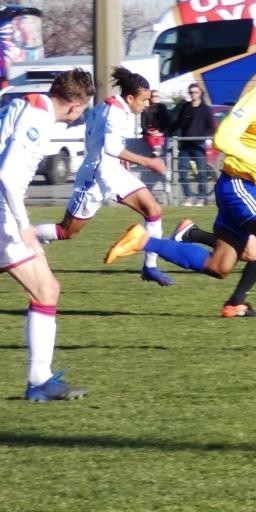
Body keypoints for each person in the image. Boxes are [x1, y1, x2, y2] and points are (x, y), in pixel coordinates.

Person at [105, 51, 256, 350]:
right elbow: (223, 139)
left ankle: (143, 240)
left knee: (219, 266)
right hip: (238, 185)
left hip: (240, 185)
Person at [1, 68, 95, 400]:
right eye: (83, 109)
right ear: (75, 105)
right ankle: (39, 382)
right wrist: (23, 225)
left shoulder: (27, 104)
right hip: (3, 216)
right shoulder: (38, 119)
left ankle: (39, 380)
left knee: (47, 289)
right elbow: (7, 176)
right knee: (46, 290)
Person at [34, 67, 173, 286]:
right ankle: (24, 237)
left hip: (113, 172)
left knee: (153, 210)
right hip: (96, 178)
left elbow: (95, 136)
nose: (147, 104)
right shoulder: (114, 112)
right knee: (66, 231)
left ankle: (150, 266)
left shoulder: (108, 107)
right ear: (130, 98)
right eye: (144, 100)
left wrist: (117, 156)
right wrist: (149, 162)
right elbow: (111, 147)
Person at [171, 83, 216, 206]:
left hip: (199, 145)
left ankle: (202, 198)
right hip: (185, 146)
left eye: (195, 92)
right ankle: (188, 197)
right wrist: (172, 134)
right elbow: (178, 124)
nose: (193, 94)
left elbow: (211, 127)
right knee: (182, 171)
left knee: (201, 172)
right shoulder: (185, 107)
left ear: (200, 93)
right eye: (191, 92)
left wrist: (202, 136)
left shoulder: (206, 109)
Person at [141, 90, 171, 157]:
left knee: (159, 138)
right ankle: (158, 150)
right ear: (150, 97)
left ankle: (157, 151)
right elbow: (143, 124)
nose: (155, 98)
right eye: (153, 96)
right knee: (150, 138)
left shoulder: (162, 107)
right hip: (149, 133)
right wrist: (149, 132)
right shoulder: (145, 108)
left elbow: (167, 122)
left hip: (160, 133)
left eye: (157, 96)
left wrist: (161, 132)